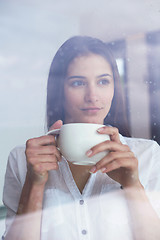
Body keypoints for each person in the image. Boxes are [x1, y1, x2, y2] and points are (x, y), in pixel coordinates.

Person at [2, 36, 160, 240]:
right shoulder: (23, 159)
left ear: (114, 88)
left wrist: (133, 186)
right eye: (78, 83)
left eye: (103, 81)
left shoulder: (148, 154)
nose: (92, 96)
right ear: (60, 92)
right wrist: (34, 184)